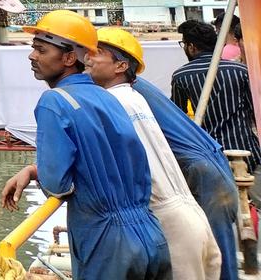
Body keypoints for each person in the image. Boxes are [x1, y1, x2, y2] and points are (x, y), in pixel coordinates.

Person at [1, 10, 171, 279]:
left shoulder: (54, 102)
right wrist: (34, 170)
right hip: (151, 235)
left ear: (69, 58)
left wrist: (41, 174)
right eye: (34, 49)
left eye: (41, 50)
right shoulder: (108, 97)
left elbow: (58, 184)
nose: (32, 56)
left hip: (106, 244)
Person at [88, 28, 220, 280]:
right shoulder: (136, 98)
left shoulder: (110, 103)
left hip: (169, 224)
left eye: (98, 52)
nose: (89, 58)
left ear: (121, 66)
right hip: (192, 215)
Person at [134, 65, 241, 279]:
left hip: (202, 172)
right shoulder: (136, 88)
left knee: (215, 259)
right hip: (211, 162)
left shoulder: (119, 93)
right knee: (217, 257)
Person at [172, 20, 261, 172]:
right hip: (247, 151)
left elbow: (178, 117)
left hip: (210, 155)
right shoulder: (239, 70)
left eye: (184, 44)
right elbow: (255, 111)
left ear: (192, 47)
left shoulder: (181, 76)